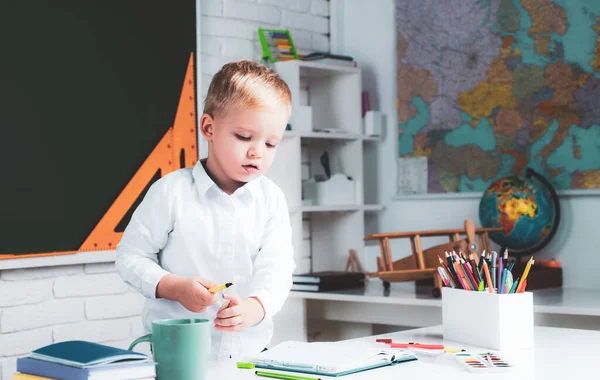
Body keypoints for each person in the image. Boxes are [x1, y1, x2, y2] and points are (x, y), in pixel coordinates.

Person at [115, 59, 296, 360]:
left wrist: (256, 307)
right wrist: (172, 286)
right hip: (174, 356)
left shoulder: (270, 199)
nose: (257, 152)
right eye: (243, 137)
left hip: (248, 354)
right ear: (208, 127)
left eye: (271, 143)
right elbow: (130, 256)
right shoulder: (171, 192)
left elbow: (277, 267)